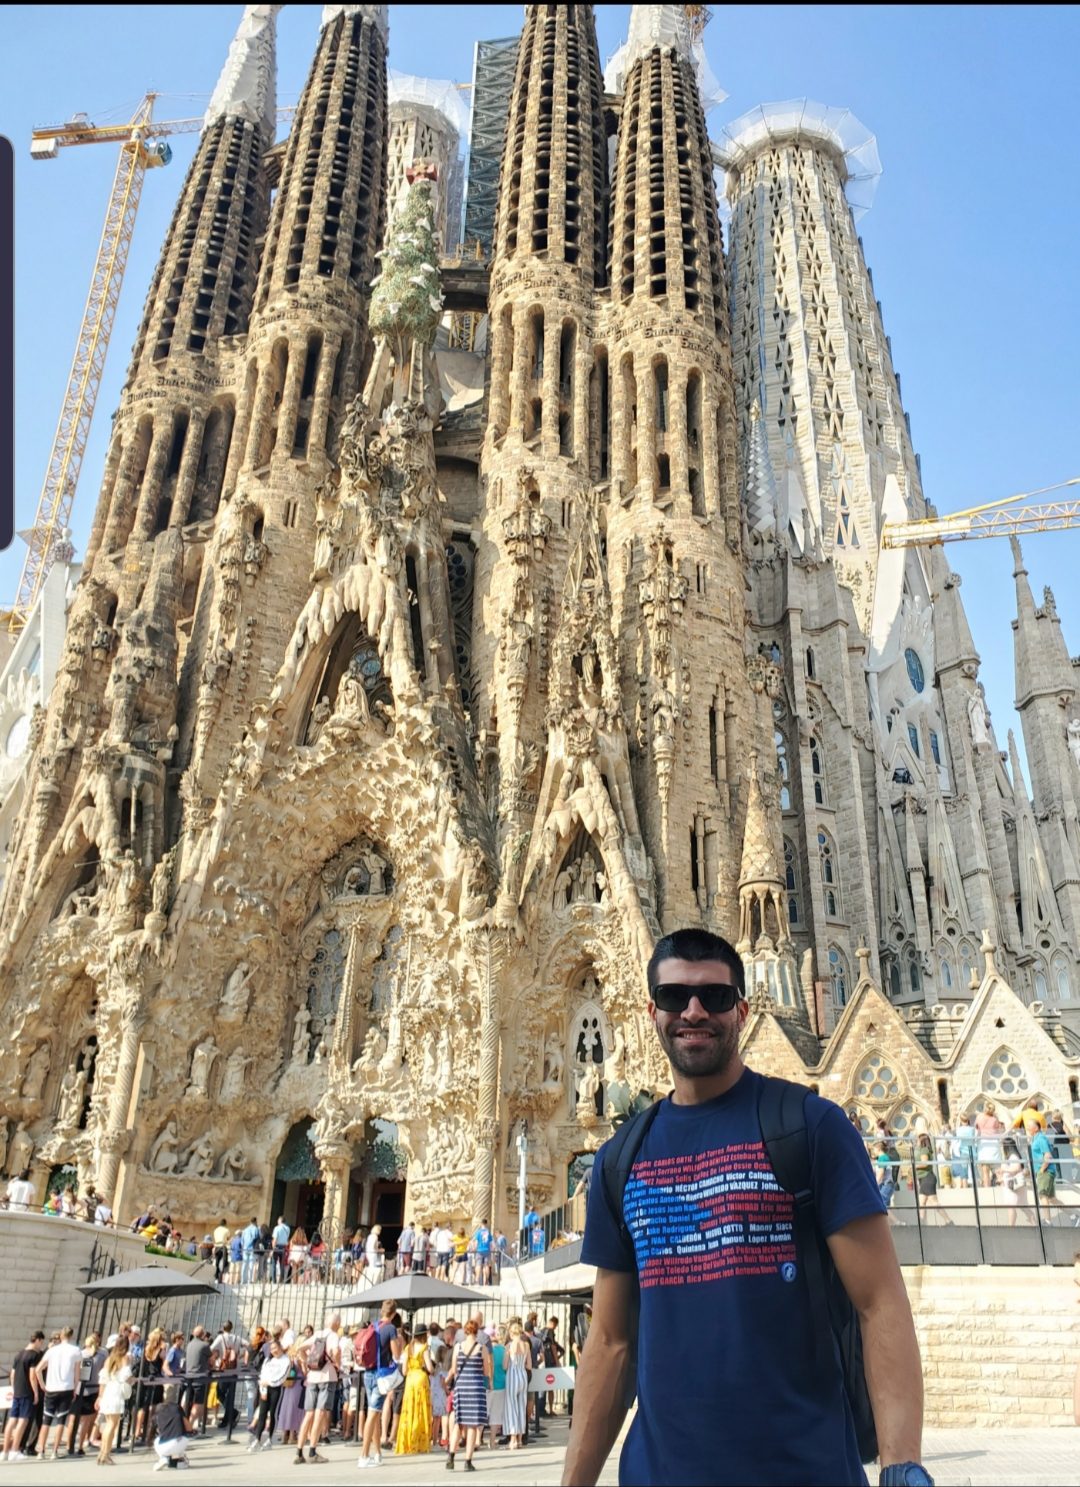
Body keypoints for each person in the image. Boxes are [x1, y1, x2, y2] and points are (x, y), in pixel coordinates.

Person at [563, 927, 928, 1487]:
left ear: (742, 1009)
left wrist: (902, 1466)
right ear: (651, 1011)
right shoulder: (620, 1159)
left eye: (713, 997)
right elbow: (610, 1343)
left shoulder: (809, 1127)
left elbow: (880, 1302)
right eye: (673, 997)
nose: (693, 1011)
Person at [445, 1318, 491, 1472]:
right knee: (472, 1426)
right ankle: (467, 1461)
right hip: (475, 1388)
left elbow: (454, 1369)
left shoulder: (457, 1347)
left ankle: (451, 1457)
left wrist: (447, 1380)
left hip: (461, 1388)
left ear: (465, 1331)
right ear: (477, 1331)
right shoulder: (481, 1348)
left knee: (459, 1423)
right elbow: (486, 1371)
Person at [295, 1312, 341, 1465]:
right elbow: (335, 1352)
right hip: (327, 1376)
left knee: (308, 1414)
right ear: (336, 1323)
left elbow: (300, 1347)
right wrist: (338, 1363)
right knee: (320, 1414)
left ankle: (299, 1451)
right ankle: (312, 1451)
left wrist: (305, 1362)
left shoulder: (318, 1334)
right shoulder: (333, 1335)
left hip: (313, 1376)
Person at [358, 1300, 398, 1469]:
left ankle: (377, 1453)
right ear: (394, 1314)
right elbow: (396, 1354)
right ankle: (363, 1455)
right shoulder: (391, 1329)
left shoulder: (373, 1326)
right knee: (373, 1414)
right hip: (381, 1375)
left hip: (368, 1372)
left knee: (374, 1413)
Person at [35, 1325, 83, 1461]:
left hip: (51, 1388)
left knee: (47, 1420)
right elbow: (77, 1373)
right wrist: (75, 1389)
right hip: (67, 1388)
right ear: (71, 1336)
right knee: (61, 1420)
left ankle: (41, 1450)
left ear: (61, 1336)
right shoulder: (76, 1351)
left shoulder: (52, 1351)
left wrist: (43, 1385)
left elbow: (38, 1369)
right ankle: (54, 1451)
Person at [2, 1328, 44, 1462]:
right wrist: (36, 1392)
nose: (40, 1346)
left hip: (18, 1391)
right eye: (41, 1342)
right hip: (27, 1392)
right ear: (37, 1340)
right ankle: (15, 1450)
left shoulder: (19, 1354)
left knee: (12, 1420)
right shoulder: (34, 1355)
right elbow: (33, 1375)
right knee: (23, 1421)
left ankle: (5, 1452)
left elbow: (12, 1375)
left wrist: (14, 1388)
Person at [394, 1324, 434, 1455]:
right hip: (421, 1380)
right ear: (424, 1335)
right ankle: (420, 1441)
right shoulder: (425, 1348)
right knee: (421, 1410)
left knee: (409, 1410)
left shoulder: (408, 1348)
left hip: (410, 1380)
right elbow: (430, 1368)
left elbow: (404, 1371)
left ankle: (408, 1441)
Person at [247, 1336, 291, 1452]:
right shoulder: (268, 1360)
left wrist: (270, 1383)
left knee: (272, 1414)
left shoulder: (286, 1360)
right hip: (265, 1389)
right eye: (272, 1349)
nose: (274, 1350)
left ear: (280, 1347)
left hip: (276, 1389)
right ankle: (257, 1438)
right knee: (262, 1414)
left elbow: (283, 1377)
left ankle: (269, 1439)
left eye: (276, 1348)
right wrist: (263, 1389)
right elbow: (262, 1376)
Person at [96, 1336, 132, 1466]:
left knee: (108, 1424)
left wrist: (100, 1396)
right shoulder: (125, 1358)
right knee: (113, 1425)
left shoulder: (109, 1359)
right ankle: (106, 1454)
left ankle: (102, 1452)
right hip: (116, 1390)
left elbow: (103, 1379)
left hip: (108, 1391)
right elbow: (126, 1376)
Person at [503, 1320, 530, 1450]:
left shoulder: (509, 1346)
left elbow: (505, 1365)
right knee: (521, 1406)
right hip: (523, 1375)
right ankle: (519, 1438)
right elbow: (529, 1365)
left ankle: (512, 1439)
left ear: (511, 1333)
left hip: (512, 1374)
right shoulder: (526, 1345)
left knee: (511, 1406)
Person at [152, 1384, 193, 1471]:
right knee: (184, 1437)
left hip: (162, 1447)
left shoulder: (158, 1409)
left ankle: (163, 1458)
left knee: (157, 1440)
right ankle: (181, 1460)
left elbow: (157, 1429)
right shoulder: (177, 1408)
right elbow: (189, 1428)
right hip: (179, 1442)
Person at [183, 1326, 211, 1430]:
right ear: (203, 1335)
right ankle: (189, 1425)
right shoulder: (204, 1345)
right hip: (200, 1377)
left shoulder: (189, 1344)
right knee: (199, 1403)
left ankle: (185, 1424)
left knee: (188, 1402)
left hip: (189, 1377)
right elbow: (211, 1359)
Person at [426, 1324, 449, 1450]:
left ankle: (431, 1439)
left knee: (433, 1418)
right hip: (439, 1394)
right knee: (438, 1418)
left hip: (432, 1392)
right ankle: (435, 1440)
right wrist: (447, 1390)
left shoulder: (434, 1368)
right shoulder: (442, 1369)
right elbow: (442, 1382)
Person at [486, 1324, 507, 1449]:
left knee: (484, 1413)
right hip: (501, 1384)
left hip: (488, 1384)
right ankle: (492, 1441)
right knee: (495, 1415)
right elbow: (506, 1367)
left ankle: (477, 1439)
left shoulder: (487, 1350)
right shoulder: (504, 1350)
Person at [975, 1100, 1005, 1187]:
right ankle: (1003, 1187)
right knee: (998, 1171)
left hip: (984, 1145)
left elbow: (976, 1128)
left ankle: (987, 1191)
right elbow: (998, 1130)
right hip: (994, 1144)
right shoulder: (995, 1118)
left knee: (985, 1171)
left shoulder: (979, 1117)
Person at [271, 1214, 291, 1282]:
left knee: (274, 1263)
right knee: (282, 1264)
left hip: (277, 1246)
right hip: (284, 1247)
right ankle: (281, 1279)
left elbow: (275, 1239)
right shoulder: (288, 1229)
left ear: (280, 1221)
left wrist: (273, 1248)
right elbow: (287, 1238)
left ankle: (274, 1280)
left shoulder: (277, 1228)